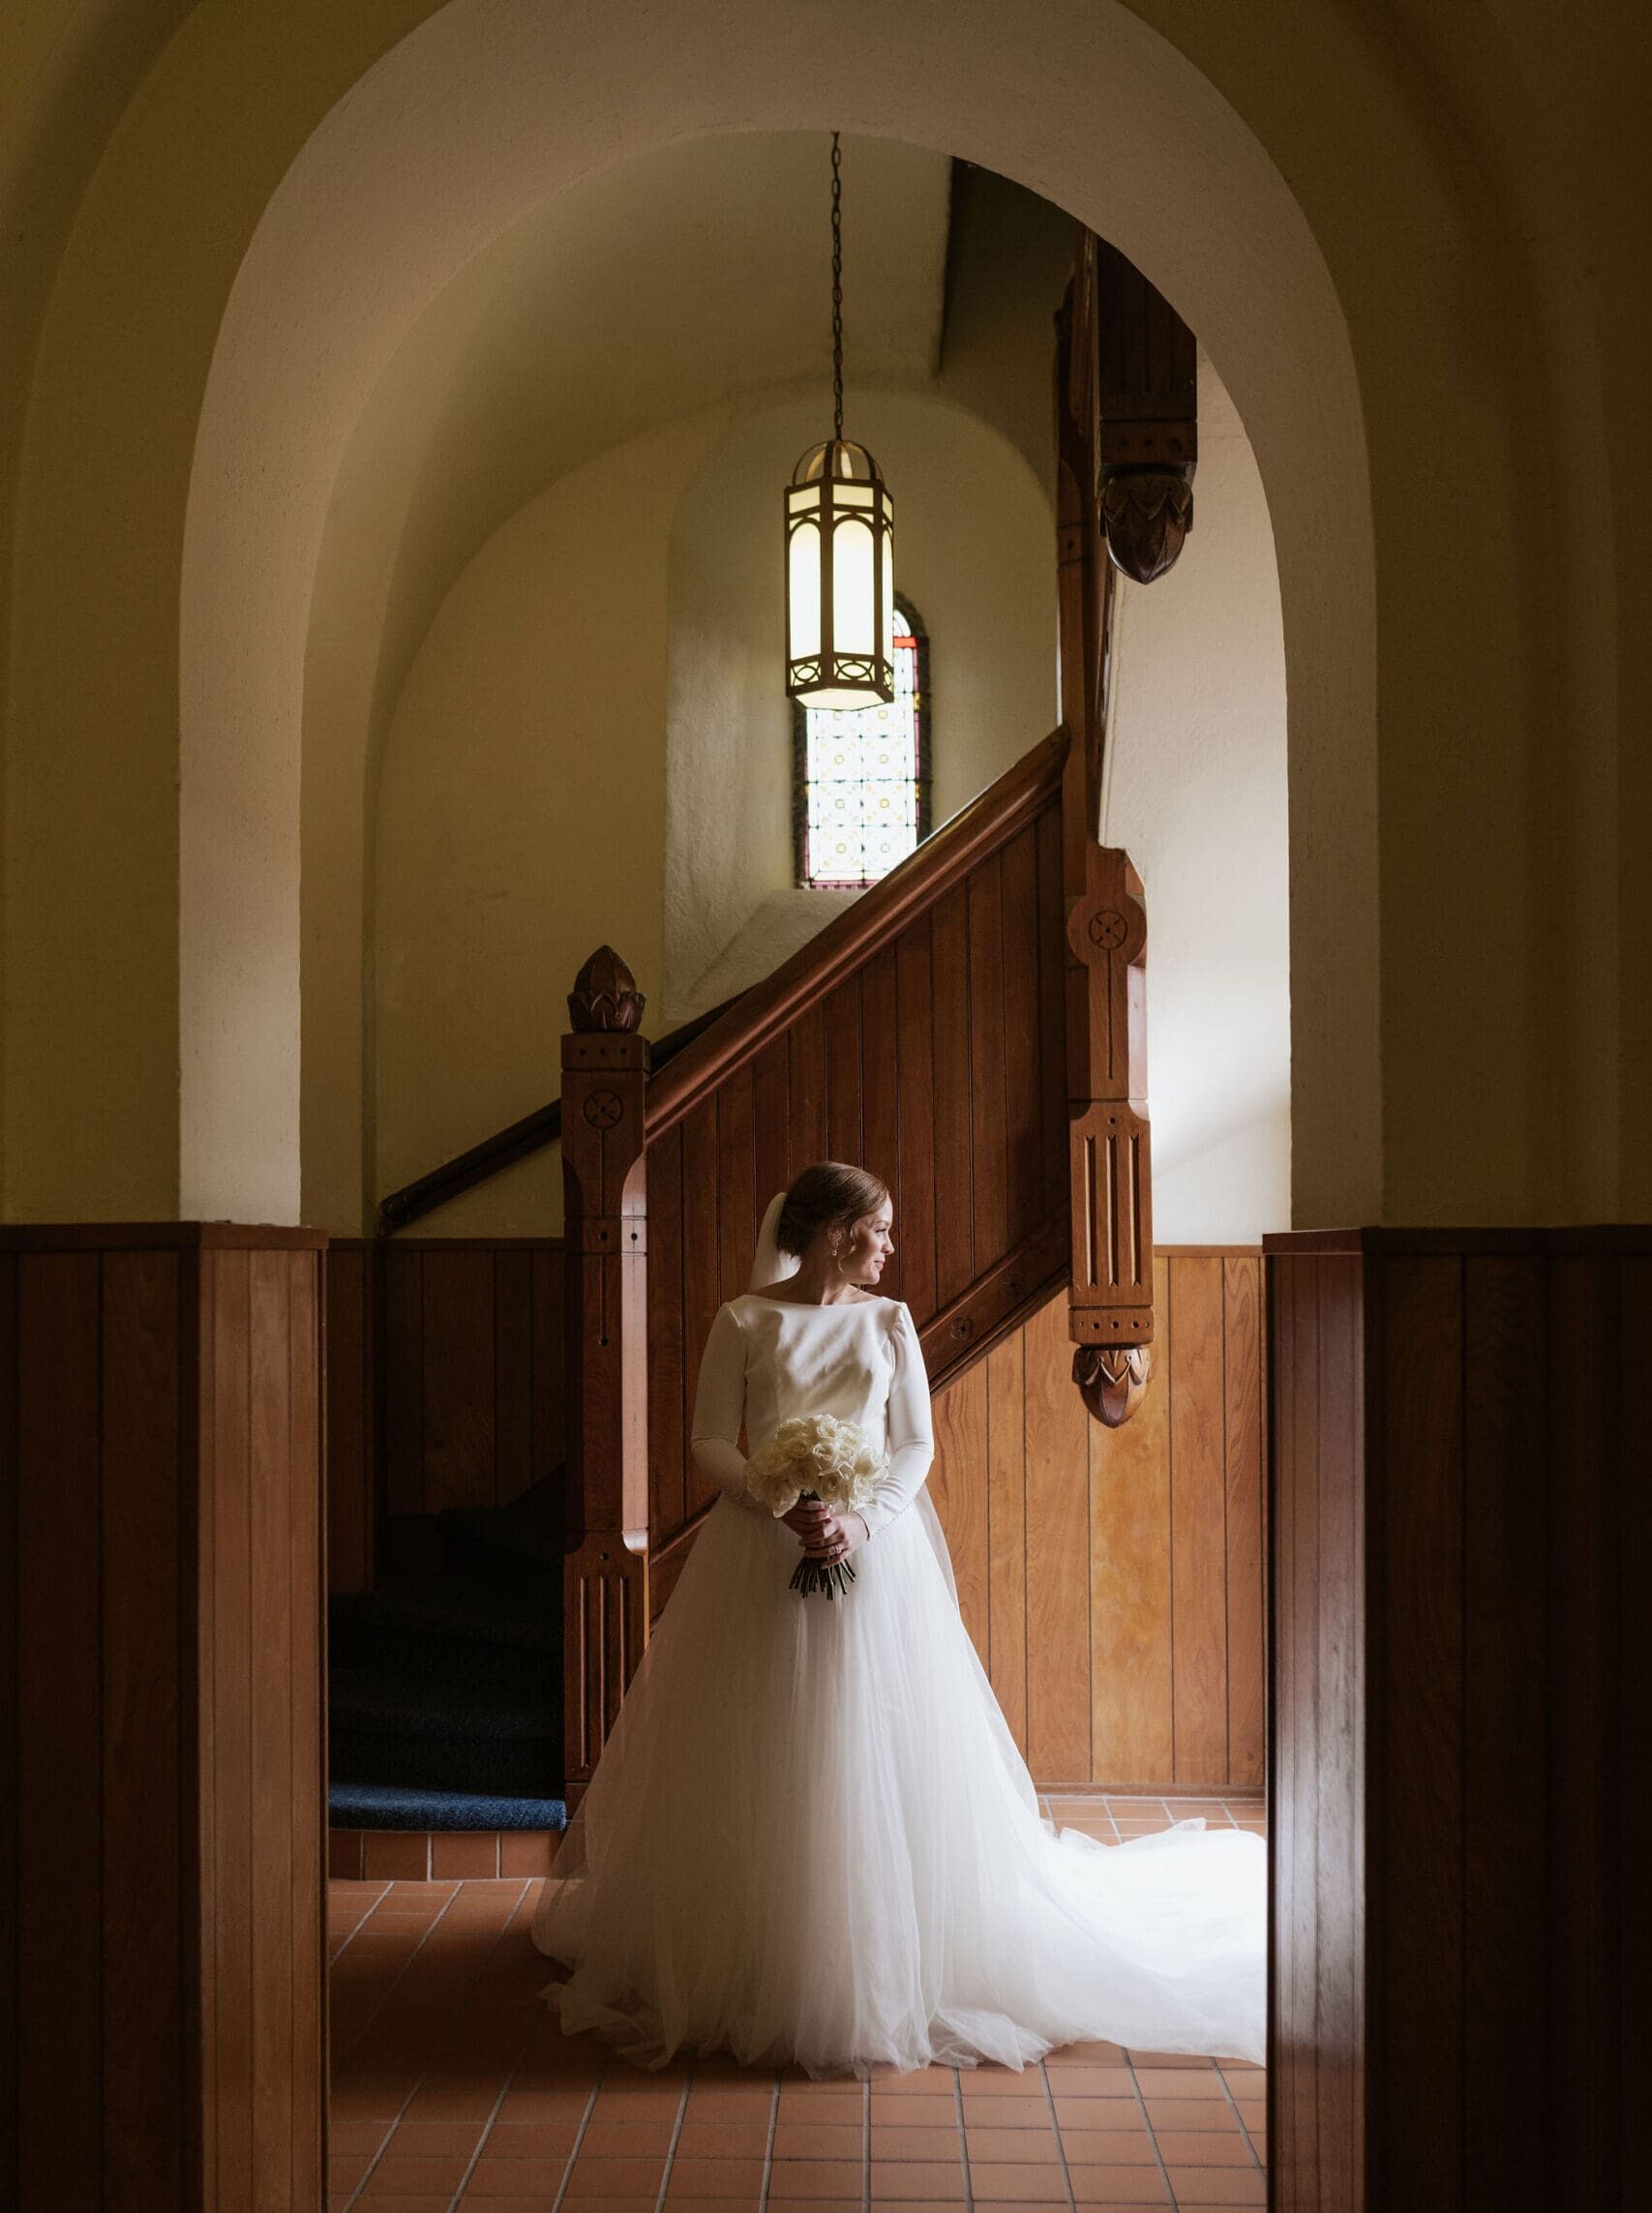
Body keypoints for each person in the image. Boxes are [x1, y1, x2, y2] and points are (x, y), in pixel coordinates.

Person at [530, 1161, 1266, 2078]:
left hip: (873, 1554)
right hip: (759, 1550)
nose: (889, 1247)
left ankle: (872, 1959)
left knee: (869, 1742)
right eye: (877, 1230)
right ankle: (761, 1949)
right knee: (760, 1743)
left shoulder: (890, 1321)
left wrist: (860, 1515)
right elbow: (710, 1437)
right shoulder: (745, 1319)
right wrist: (774, 1491)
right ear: (835, 1231)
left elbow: (913, 1440)